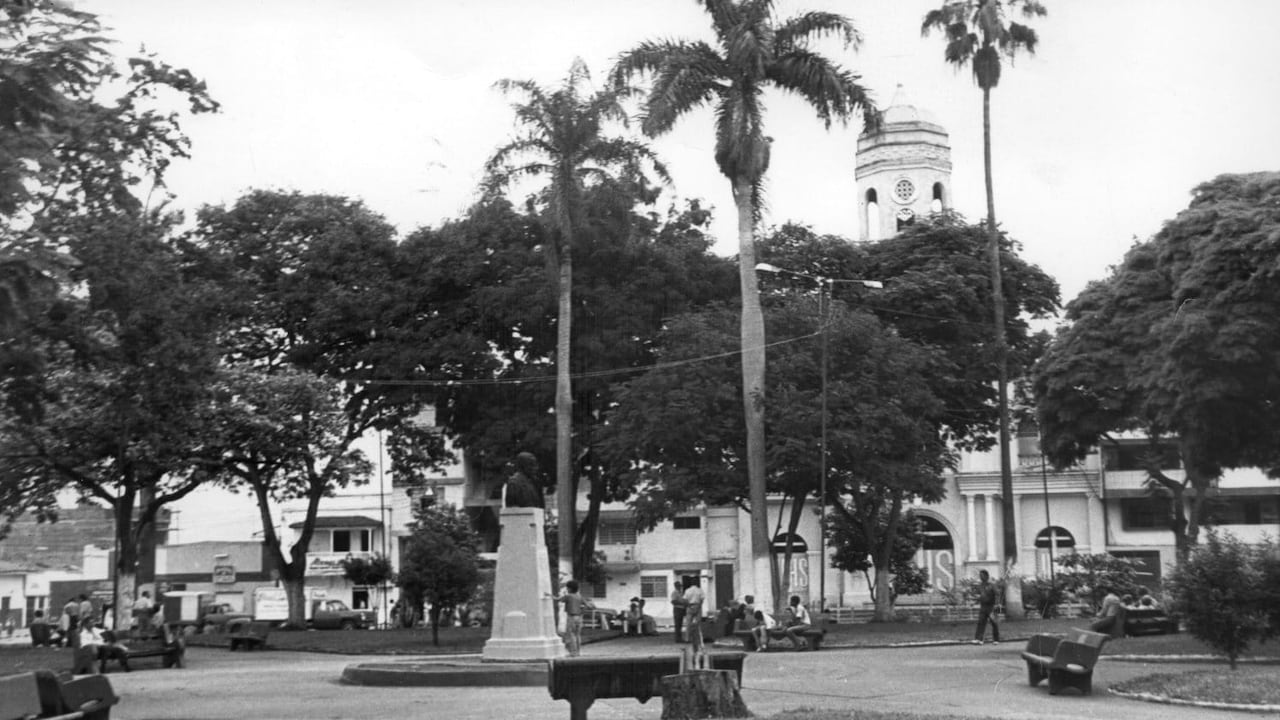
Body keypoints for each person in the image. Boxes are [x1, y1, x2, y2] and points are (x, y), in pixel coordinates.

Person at [552, 580, 593, 657]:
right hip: (579, 617)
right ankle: (578, 651)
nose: (567, 589)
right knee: (577, 635)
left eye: (567, 588)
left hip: (571, 617)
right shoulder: (579, 596)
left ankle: (573, 652)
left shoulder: (568, 596)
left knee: (571, 635)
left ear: (570, 588)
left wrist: (550, 596)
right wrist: (582, 612)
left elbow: (557, 599)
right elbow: (588, 606)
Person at [973, 570, 1000, 645]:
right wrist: (977, 598)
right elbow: (978, 594)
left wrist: (996, 604)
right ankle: (979, 639)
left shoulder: (992, 585)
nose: (980, 577)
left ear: (986, 576)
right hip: (983, 606)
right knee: (981, 622)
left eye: (982, 575)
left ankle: (996, 639)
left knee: (994, 623)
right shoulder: (980, 585)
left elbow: (997, 594)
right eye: (980, 575)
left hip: (991, 606)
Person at [682, 576, 705, 654]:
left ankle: (687, 639)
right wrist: (699, 606)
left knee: (688, 623)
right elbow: (702, 600)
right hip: (697, 606)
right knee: (698, 624)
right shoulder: (700, 590)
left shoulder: (687, 590)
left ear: (691, 583)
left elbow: (685, 600)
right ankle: (698, 639)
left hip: (690, 606)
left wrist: (688, 606)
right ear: (696, 582)